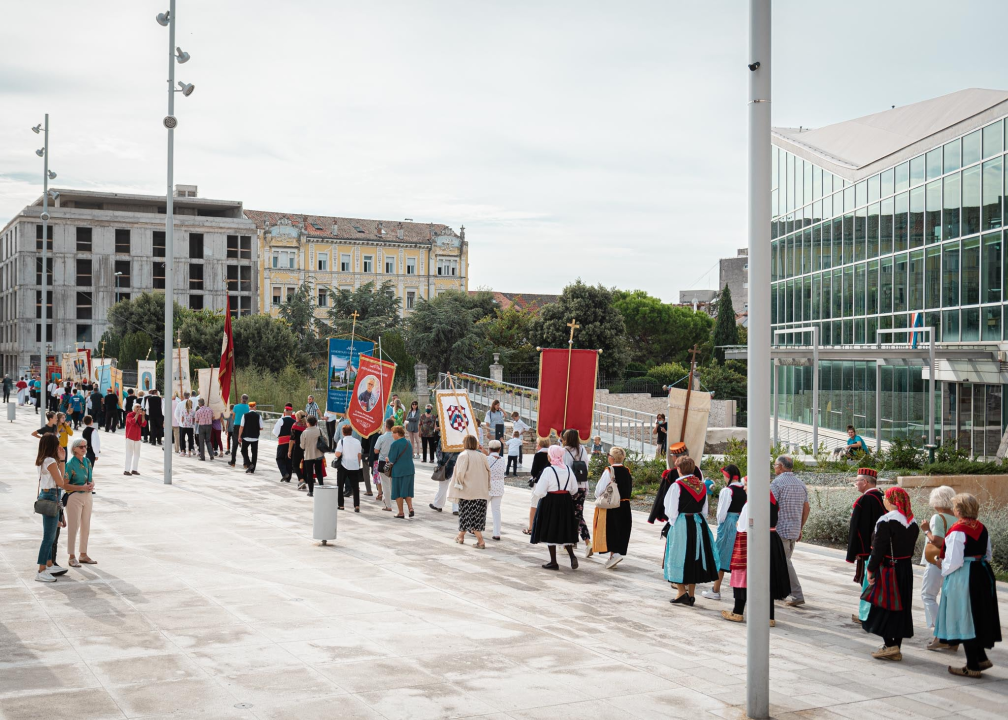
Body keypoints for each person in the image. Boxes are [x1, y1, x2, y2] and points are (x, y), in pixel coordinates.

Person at [935, 493, 1002, 678]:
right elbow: (988, 554)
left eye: (955, 506)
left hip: (964, 575)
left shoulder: (958, 530)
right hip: (982, 573)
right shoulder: (981, 527)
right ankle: (981, 658)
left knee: (964, 617)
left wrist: (942, 566)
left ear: (959, 509)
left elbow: (954, 561)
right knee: (977, 615)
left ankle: (972, 666)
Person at [721, 476, 791, 626]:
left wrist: (739, 523)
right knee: (767, 578)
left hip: (754, 541)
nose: (744, 488)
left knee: (742, 574)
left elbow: (743, 526)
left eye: (746, 485)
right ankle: (769, 616)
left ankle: (738, 612)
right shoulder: (772, 500)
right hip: (771, 539)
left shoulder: (751, 503)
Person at [862, 487, 920, 661]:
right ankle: (896, 648)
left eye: (886, 498)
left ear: (892, 501)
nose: (884, 501)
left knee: (884, 604)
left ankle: (889, 645)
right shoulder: (912, 522)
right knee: (901, 606)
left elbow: (878, 549)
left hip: (888, 568)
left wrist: (870, 569)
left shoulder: (886, 520)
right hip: (905, 568)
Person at [663, 455, 719, 605]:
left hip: (682, 523)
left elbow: (671, 510)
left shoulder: (677, 486)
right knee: (695, 557)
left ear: (679, 469)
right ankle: (692, 595)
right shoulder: (701, 485)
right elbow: (705, 510)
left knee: (678, 555)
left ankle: (681, 591)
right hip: (698, 524)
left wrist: (673, 524)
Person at [845, 468, 887, 625]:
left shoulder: (864, 500)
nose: (855, 484)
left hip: (867, 550)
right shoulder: (883, 498)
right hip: (880, 548)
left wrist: (854, 552)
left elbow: (857, 529)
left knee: (867, 582)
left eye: (857, 481)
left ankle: (866, 616)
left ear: (865, 482)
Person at [35, 435, 78, 582]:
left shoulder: (42, 460)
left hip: (47, 495)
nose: (60, 447)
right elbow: (61, 482)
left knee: (50, 535)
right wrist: (62, 461)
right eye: (57, 444)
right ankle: (41, 570)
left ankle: (48, 564)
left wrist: (61, 460)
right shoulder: (50, 461)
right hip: (51, 496)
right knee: (48, 537)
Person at [530, 445, 579, 570]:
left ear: (551, 456)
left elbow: (539, 491)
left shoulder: (548, 470)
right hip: (566, 501)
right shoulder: (568, 469)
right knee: (565, 527)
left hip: (550, 500)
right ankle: (572, 556)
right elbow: (574, 489)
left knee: (550, 527)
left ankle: (553, 561)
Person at [703, 464, 747, 601]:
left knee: (721, 556)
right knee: (740, 557)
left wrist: (720, 525)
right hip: (742, 522)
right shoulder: (745, 488)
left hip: (729, 523)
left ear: (727, 476)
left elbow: (721, 514)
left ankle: (715, 590)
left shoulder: (727, 491)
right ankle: (742, 593)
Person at [770, 455, 809, 607]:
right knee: (783, 563)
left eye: (775, 465)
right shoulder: (801, 484)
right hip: (794, 529)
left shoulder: (777, 483)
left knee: (785, 563)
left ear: (780, 466)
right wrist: (800, 527)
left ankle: (797, 594)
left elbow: (771, 505)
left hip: (780, 529)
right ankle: (780, 591)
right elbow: (806, 508)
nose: (774, 468)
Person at [921, 485, 957, 649]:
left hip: (936, 561)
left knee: (928, 595)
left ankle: (941, 634)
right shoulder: (957, 518)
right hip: (952, 562)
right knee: (946, 599)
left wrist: (926, 530)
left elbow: (937, 540)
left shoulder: (938, 517)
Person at [591, 446, 633, 569]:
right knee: (621, 529)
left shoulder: (609, 471)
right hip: (625, 504)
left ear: (612, 458)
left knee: (611, 529)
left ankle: (615, 554)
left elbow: (598, 490)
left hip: (613, 504)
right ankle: (614, 555)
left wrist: (599, 497)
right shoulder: (627, 471)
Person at [64, 438, 97, 568]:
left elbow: (91, 477)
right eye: (81, 446)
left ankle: (83, 554)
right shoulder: (70, 464)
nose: (84, 448)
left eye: (85, 446)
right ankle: (71, 556)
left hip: (87, 496)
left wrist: (92, 484)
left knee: (86, 526)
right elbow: (65, 484)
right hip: (75, 497)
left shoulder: (87, 461)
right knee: (74, 526)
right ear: (74, 449)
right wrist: (81, 487)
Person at [562, 429, 591, 548]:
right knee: (578, 514)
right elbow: (586, 466)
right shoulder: (582, 449)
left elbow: (564, 469)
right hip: (582, 485)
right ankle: (579, 541)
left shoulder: (565, 451)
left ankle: (581, 541)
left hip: (570, 487)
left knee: (569, 514)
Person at [524, 437, 552, 535]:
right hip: (549, 484)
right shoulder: (551, 455)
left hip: (538, 483)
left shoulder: (538, 455)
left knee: (534, 505)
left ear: (539, 444)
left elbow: (533, 472)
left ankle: (531, 528)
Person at [387, 425, 416, 518]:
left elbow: (392, 459)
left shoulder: (395, 444)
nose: (392, 435)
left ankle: (401, 512)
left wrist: (387, 459)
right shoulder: (408, 442)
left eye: (393, 433)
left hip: (398, 470)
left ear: (397, 434)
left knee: (398, 491)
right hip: (410, 469)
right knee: (407, 490)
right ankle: (410, 508)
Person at [334, 423, 363, 509]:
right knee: (355, 487)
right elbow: (359, 455)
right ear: (351, 432)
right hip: (354, 466)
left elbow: (337, 454)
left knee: (340, 485)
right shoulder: (357, 442)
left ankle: (341, 505)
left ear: (343, 432)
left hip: (344, 465)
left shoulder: (342, 441)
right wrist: (357, 463)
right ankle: (357, 505)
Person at [297, 415, 324, 497]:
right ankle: (321, 488)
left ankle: (311, 491)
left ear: (308, 423)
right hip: (319, 454)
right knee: (319, 472)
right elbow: (325, 440)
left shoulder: (305, 432)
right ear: (315, 422)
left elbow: (302, 446)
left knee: (309, 473)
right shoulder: (319, 430)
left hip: (308, 455)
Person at [372, 419, 395, 509]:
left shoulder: (381, 437)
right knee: (391, 483)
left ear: (386, 426)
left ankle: (388, 504)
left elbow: (376, 450)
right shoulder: (395, 437)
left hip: (383, 462)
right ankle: (388, 499)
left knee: (385, 484)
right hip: (393, 462)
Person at [486, 440, 506, 540]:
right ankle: (497, 533)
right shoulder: (502, 460)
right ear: (499, 449)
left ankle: (476, 528)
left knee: (483, 509)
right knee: (496, 510)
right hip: (499, 487)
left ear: (489, 448)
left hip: (487, 486)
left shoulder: (486, 459)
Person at [430, 447, 459, 514]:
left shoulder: (444, 440)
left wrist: (439, 464)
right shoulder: (461, 440)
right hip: (457, 465)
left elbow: (439, 452)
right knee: (456, 487)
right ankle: (456, 508)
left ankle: (438, 505)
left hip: (446, 465)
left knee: (442, 487)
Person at [272, 404, 295, 482]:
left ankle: (284, 473)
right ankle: (288, 478)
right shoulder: (294, 421)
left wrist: (279, 435)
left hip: (282, 442)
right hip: (292, 443)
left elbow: (275, 432)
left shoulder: (281, 420)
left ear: (284, 412)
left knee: (279, 458)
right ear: (291, 412)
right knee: (289, 459)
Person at [239, 401, 262, 473]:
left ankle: (249, 464)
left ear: (249, 408)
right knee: (254, 453)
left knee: (243, 450)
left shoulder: (245, 415)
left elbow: (241, 427)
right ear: (255, 407)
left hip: (246, 436)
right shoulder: (258, 416)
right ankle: (252, 469)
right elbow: (261, 427)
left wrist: (239, 436)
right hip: (255, 437)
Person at [123, 405, 146, 475]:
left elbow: (144, 424)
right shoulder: (129, 415)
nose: (139, 408)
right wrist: (137, 414)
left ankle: (134, 469)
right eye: (137, 407)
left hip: (137, 437)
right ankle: (126, 470)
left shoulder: (140, 415)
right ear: (134, 408)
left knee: (137, 454)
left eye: (140, 407)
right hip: (130, 436)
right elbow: (132, 421)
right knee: (129, 454)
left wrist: (143, 415)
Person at [229, 394, 250, 466]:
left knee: (235, 445)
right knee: (245, 445)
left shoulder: (236, 406)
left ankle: (233, 461)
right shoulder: (248, 407)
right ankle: (245, 463)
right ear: (247, 400)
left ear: (241, 399)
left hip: (237, 425)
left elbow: (233, 417)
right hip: (245, 427)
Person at [289, 411, 308, 489]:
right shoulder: (307, 425)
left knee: (295, 464)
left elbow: (291, 439)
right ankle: (304, 480)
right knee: (306, 465)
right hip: (307, 448)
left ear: (298, 417)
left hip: (298, 447)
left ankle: (301, 479)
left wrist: (289, 450)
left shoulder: (295, 425)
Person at [177, 394, 195, 458]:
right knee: (190, 439)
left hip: (184, 426)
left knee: (182, 438)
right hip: (190, 427)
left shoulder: (183, 410)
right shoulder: (193, 411)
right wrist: (192, 424)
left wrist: (182, 422)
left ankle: (183, 451)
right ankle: (189, 452)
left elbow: (182, 419)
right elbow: (193, 419)